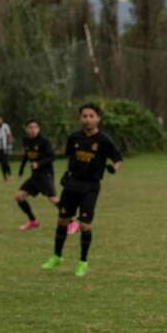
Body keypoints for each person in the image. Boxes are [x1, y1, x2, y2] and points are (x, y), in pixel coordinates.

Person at [42, 103, 123, 277]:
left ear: (98, 118)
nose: (87, 119)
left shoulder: (104, 140)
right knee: (62, 220)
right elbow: (71, 157)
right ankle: (57, 256)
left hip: (90, 186)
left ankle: (82, 262)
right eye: (84, 116)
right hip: (72, 184)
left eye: (91, 116)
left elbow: (118, 158)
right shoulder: (74, 138)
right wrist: (67, 173)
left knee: (85, 225)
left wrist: (114, 168)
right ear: (80, 118)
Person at [14, 118, 58, 231]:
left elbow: (52, 156)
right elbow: (26, 155)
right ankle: (33, 221)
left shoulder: (44, 141)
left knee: (53, 199)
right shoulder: (26, 141)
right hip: (35, 176)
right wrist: (21, 169)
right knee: (19, 197)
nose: (33, 130)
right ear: (26, 129)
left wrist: (38, 164)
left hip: (46, 175)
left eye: (35, 127)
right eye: (30, 127)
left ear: (39, 129)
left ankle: (71, 222)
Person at [0, 115, 14, 182]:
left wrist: (9, 144)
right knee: (1, 163)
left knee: (6, 162)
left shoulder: (5, 126)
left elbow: (9, 135)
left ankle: (10, 175)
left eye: (0, 120)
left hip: (5, 147)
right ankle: (4, 177)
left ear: (2, 120)